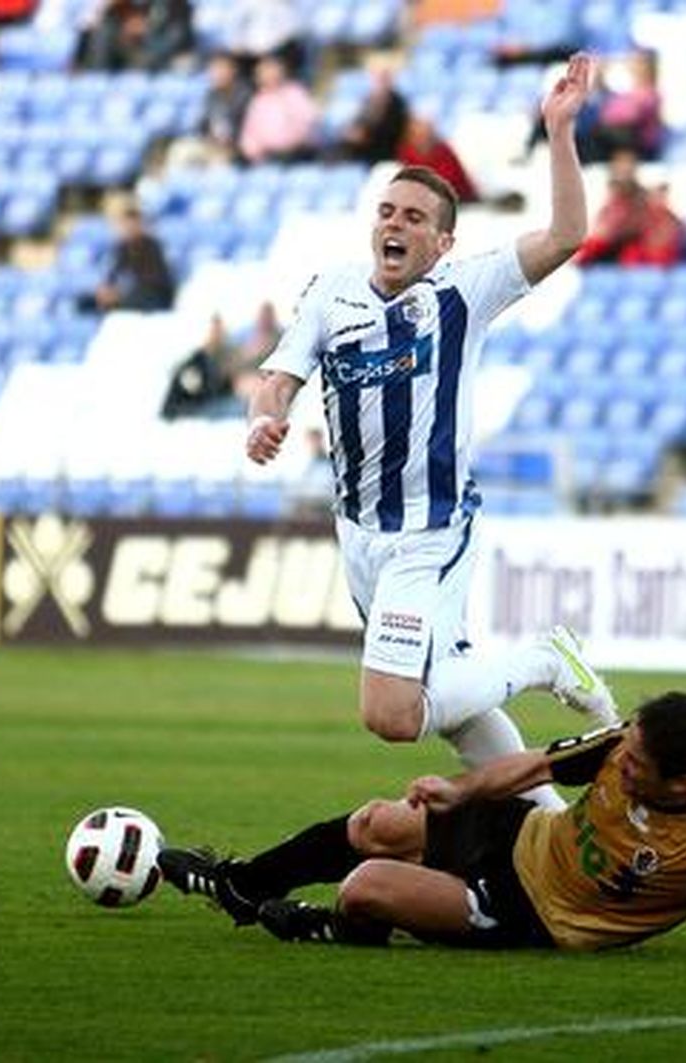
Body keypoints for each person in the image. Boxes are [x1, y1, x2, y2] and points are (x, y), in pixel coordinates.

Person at [242, 54, 615, 806]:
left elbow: (569, 233)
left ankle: (545, 658)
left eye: (414, 218)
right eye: (387, 211)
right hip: (359, 535)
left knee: (393, 713)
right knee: (458, 712)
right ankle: (547, 825)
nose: (395, 224)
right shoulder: (331, 293)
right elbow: (280, 374)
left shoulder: (462, 291)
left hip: (430, 531)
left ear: (441, 242)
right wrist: (265, 413)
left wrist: (560, 130)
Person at [159, 691, 686, 965]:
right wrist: (457, 791)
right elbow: (529, 770)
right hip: (520, 835)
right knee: (378, 821)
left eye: (639, 759)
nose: (621, 760)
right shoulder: (625, 744)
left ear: (685, 783)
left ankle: (339, 929)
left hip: (529, 913)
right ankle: (239, 885)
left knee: (365, 888)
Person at [86, 205, 175, 313]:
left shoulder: (153, 245)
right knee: (86, 302)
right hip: (133, 293)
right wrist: (106, 289)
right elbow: (113, 274)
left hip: (155, 295)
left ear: (140, 225)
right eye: (125, 225)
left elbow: (154, 281)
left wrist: (119, 293)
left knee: (125, 302)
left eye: (133, 224)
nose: (128, 228)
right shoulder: (122, 247)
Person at [238, 55, 320, 166]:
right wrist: (252, 150)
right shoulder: (258, 101)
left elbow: (309, 123)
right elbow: (248, 133)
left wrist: (288, 143)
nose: (269, 75)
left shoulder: (296, 93)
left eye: (272, 70)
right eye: (263, 72)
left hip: (295, 154)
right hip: (265, 156)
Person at [395, 115, 480, 206]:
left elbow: (459, 180)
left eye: (427, 133)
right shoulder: (404, 153)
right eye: (419, 133)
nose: (423, 137)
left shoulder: (443, 151)